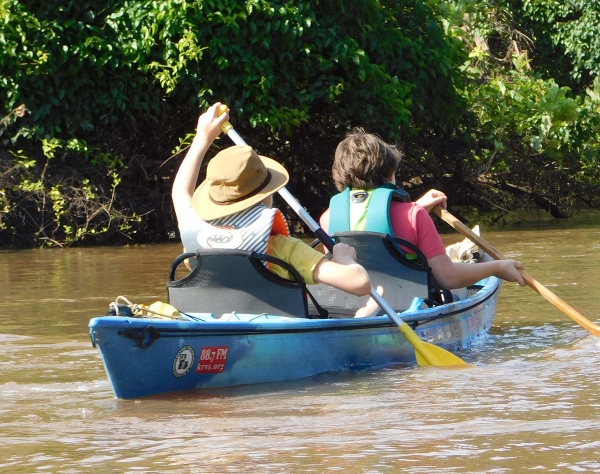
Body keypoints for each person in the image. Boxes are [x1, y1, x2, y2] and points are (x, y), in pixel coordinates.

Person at [172, 103, 380, 317]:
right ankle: (362, 317)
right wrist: (344, 258)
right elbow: (360, 284)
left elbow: (180, 192)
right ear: (267, 195)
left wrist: (202, 138)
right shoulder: (282, 249)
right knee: (352, 313)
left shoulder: (199, 241)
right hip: (275, 338)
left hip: (218, 332)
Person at [319, 128, 527, 291]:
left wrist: (417, 207)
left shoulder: (327, 219)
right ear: (390, 173)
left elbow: (367, 228)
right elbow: (448, 278)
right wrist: (498, 268)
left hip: (352, 308)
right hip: (406, 307)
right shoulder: (414, 216)